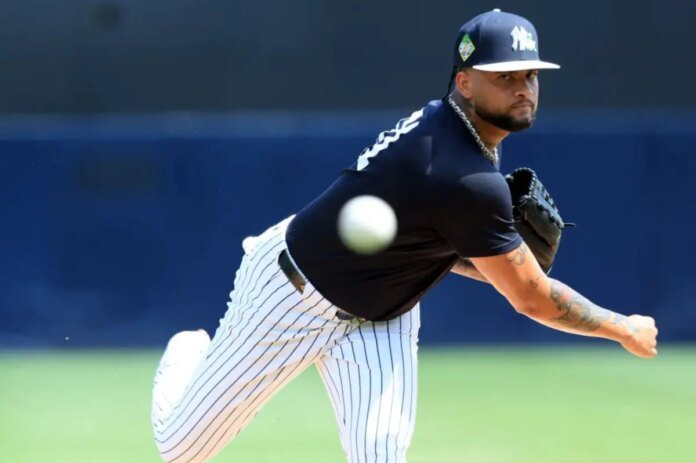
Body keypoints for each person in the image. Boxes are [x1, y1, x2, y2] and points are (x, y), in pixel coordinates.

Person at [150, 9, 658, 463]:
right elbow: (532, 299)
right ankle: (191, 352)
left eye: (530, 74)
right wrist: (622, 328)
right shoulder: (461, 173)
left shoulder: (456, 130)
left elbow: (438, 242)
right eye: (504, 76)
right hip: (292, 294)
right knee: (181, 449)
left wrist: (497, 259)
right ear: (465, 82)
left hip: (383, 313)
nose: (523, 87)